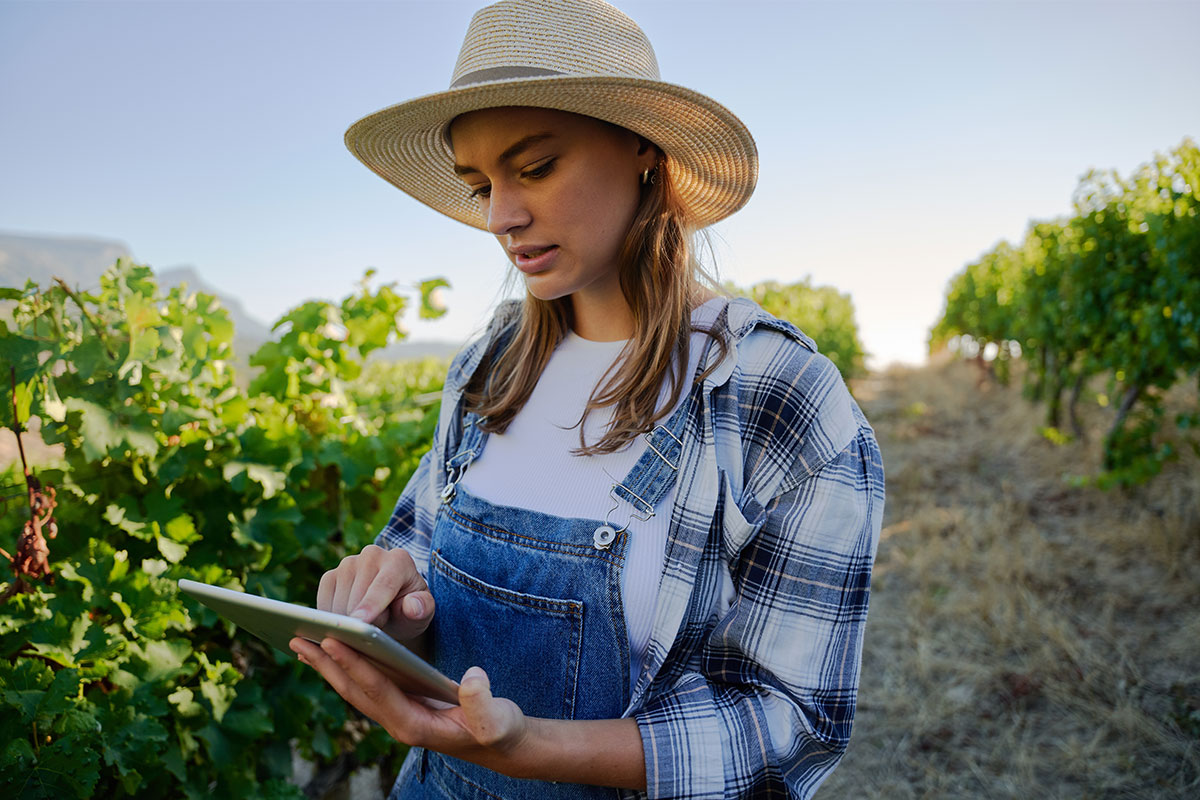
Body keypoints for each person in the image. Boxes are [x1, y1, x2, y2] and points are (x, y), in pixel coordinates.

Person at [289, 1, 885, 798]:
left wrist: (534, 748)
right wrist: (396, 607)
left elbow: (789, 721)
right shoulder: (486, 369)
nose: (501, 216)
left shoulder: (774, 397)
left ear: (643, 149)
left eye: (534, 167)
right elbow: (421, 547)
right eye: (480, 186)